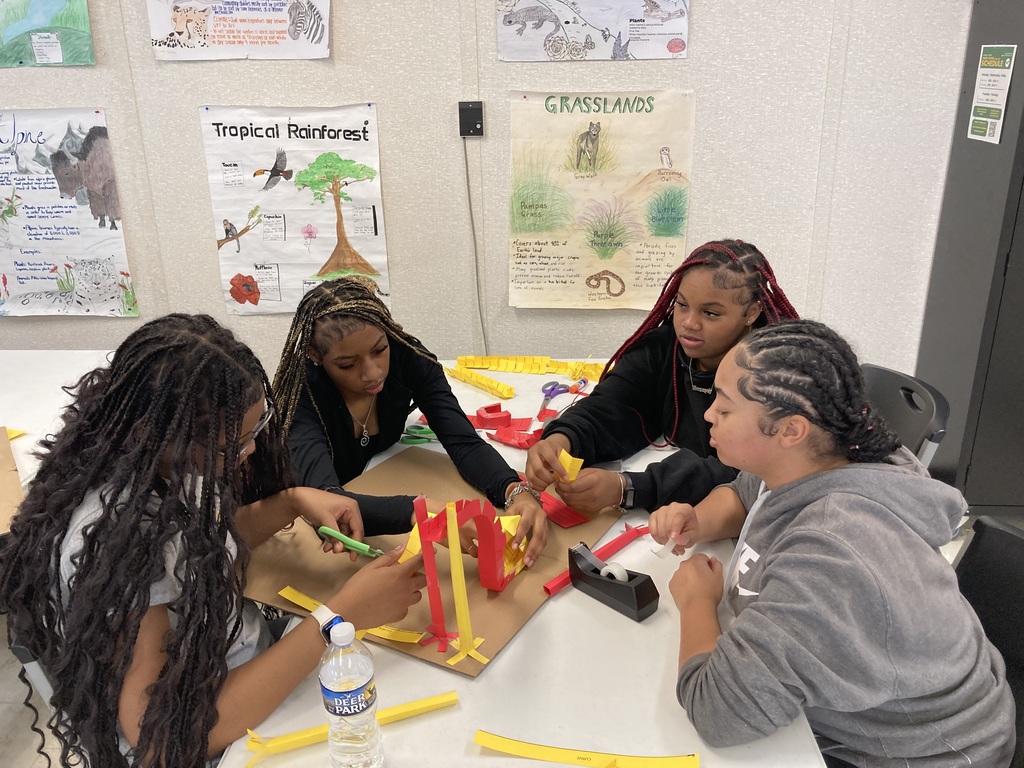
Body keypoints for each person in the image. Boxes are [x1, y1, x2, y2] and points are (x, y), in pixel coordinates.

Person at [0, 314, 427, 768]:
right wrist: (337, 617)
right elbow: (159, 737)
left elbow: (191, 549)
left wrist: (290, 502)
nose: (252, 452)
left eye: (257, 429)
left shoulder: (165, 465)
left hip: (241, 665)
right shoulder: (117, 538)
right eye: (235, 445)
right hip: (214, 730)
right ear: (160, 434)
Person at [650, 319, 1015, 766]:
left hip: (919, 755)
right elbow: (747, 495)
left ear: (790, 430)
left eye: (724, 409)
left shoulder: (833, 555)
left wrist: (697, 603)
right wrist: (698, 520)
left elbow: (718, 713)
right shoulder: (815, 459)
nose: (708, 415)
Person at [273, 277, 548, 566]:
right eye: (347, 365)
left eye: (380, 350)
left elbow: (462, 440)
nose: (372, 373)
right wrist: (420, 511)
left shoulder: (409, 358)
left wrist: (514, 491)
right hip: (310, 543)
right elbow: (325, 503)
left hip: (383, 479)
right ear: (314, 354)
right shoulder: (301, 396)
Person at [525, 239, 798, 514]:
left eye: (711, 313)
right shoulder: (664, 346)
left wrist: (629, 487)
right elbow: (615, 403)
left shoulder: (771, 376)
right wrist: (565, 438)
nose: (689, 323)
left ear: (752, 312)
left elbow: (742, 473)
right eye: (681, 305)